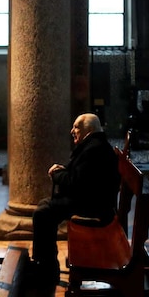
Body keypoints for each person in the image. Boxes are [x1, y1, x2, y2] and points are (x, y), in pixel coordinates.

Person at [30, 113, 120, 284]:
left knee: (42, 213)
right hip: (90, 199)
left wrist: (57, 174)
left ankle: (45, 270)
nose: (72, 131)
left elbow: (76, 183)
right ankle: (45, 263)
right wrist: (63, 169)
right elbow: (80, 175)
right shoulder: (94, 145)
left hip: (92, 205)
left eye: (77, 127)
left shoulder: (94, 149)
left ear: (90, 130)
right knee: (44, 206)